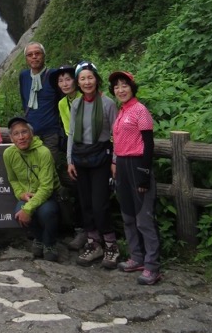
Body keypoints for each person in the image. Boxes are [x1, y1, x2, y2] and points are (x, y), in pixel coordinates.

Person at [110, 71, 162, 285]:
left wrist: (144, 174)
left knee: (143, 218)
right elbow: (117, 140)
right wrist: (114, 162)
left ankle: (152, 266)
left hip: (137, 164)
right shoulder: (121, 111)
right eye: (116, 86)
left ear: (132, 87)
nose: (120, 90)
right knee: (128, 216)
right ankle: (137, 257)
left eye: (124, 85)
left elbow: (148, 144)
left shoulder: (141, 111)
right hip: (122, 165)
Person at [67, 61, 119, 269]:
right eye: (82, 78)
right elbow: (71, 133)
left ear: (96, 79)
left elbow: (117, 134)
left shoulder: (108, 104)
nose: (87, 82)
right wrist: (70, 160)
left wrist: (115, 160)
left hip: (101, 157)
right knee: (86, 203)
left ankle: (111, 245)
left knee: (100, 204)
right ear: (78, 83)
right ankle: (93, 242)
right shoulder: (76, 104)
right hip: (80, 157)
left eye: (90, 77)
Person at [4, 116, 60, 262]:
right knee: (18, 213)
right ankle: (39, 238)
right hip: (27, 196)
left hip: (46, 195)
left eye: (24, 132)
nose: (21, 137)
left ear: (32, 134)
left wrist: (28, 208)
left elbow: (47, 187)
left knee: (46, 212)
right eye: (16, 134)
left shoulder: (43, 153)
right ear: (11, 138)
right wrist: (20, 194)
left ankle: (49, 243)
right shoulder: (9, 154)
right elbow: (13, 179)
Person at [49, 64, 86, 251]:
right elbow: (69, 133)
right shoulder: (63, 104)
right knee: (80, 193)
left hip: (94, 152)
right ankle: (83, 232)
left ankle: (100, 237)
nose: (64, 83)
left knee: (94, 195)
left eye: (68, 79)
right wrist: (71, 159)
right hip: (77, 153)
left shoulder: (87, 98)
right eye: (60, 80)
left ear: (76, 80)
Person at [19, 42, 61, 158]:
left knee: (49, 168)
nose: (34, 57)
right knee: (33, 169)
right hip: (30, 133)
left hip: (50, 133)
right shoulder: (23, 76)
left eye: (37, 53)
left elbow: (62, 101)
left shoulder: (54, 75)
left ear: (44, 55)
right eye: (30, 54)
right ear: (26, 59)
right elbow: (24, 100)